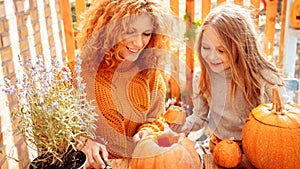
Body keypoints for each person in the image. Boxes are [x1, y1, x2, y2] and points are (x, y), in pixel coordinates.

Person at [69, 0, 177, 168]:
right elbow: (51, 129)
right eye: (130, 31)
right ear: (110, 29)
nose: (138, 43)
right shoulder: (75, 73)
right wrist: (82, 141)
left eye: (146, 34)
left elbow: (157, 119)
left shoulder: (151, 73)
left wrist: (147, 131)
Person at [170, 3, 287, 153]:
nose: (212, 57)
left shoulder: (264, 78)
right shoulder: (202, 77)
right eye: (206, 47)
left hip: (256, 149)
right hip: (219, 148)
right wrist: (182, 127)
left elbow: (283, 123)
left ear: (241, 47)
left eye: (221, 50)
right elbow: (200, 117)